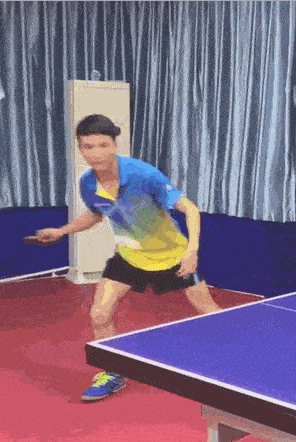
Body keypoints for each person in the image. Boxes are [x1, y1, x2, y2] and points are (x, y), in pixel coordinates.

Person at [36, 114, 221, 402]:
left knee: (208, 310)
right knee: (99, 314)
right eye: (88, 147)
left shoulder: (144, 175)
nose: (96, 153)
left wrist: (192, 251)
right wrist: (62, 231)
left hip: (171, 256)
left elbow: (190, 209)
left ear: (114, 145)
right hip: (129, 257)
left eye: (102, 145)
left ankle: (236, 360)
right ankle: (113, 373)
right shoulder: (88, 183)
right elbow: (96, 215)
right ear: (80, 148)